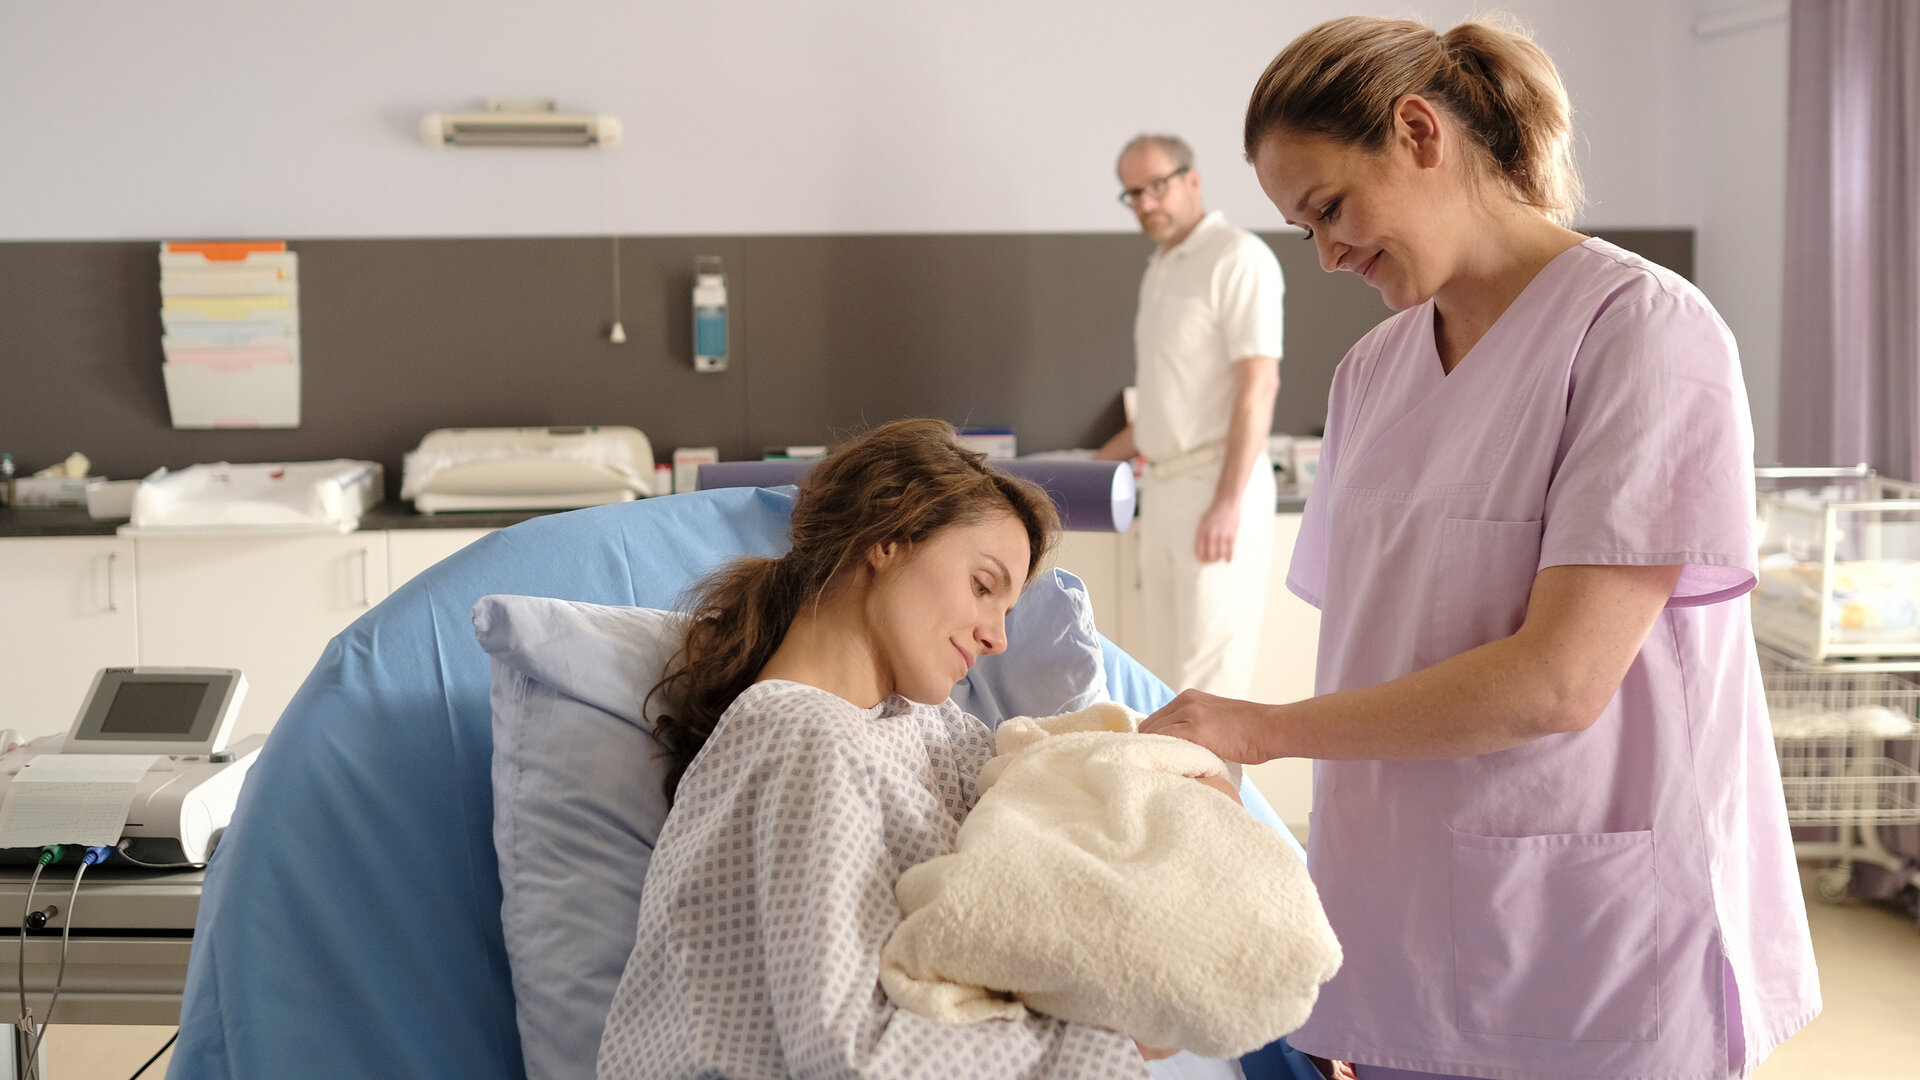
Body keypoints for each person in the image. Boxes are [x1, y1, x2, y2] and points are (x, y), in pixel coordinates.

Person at [1140, 16, 1819, 1080]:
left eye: (1328, 210)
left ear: (1419, 132)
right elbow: (1375, 657)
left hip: (1585, 937)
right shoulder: (1371, 373)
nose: (1325, 256)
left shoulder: (1642, 333)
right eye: (1302, 230)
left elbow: (1556, 683)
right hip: (1396, 932)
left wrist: (1254, 730)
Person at [594, 418, 1160, 1079]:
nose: (997, 639)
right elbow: (848, 1051)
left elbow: (1040, 800)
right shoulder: (801, 742)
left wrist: (1159, 770)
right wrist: (1117, 1040)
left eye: (1006, 611)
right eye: (983, 587)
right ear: (887, 537)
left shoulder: (923, 724)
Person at [1095, 134, 1284, 699]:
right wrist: (1080, 467)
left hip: (1219, 487)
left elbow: (1260, 382)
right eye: (1133, 194)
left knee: (1210, 683)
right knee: (1163, 680)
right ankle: (1170, 790)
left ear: (1192, 180)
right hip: (1164, 487)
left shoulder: (1238, 256)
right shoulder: (1160, 271)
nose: (1146, 203)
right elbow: (1160, 410)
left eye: (1157, 186)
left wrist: (1227, 502)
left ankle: (1213, 789)